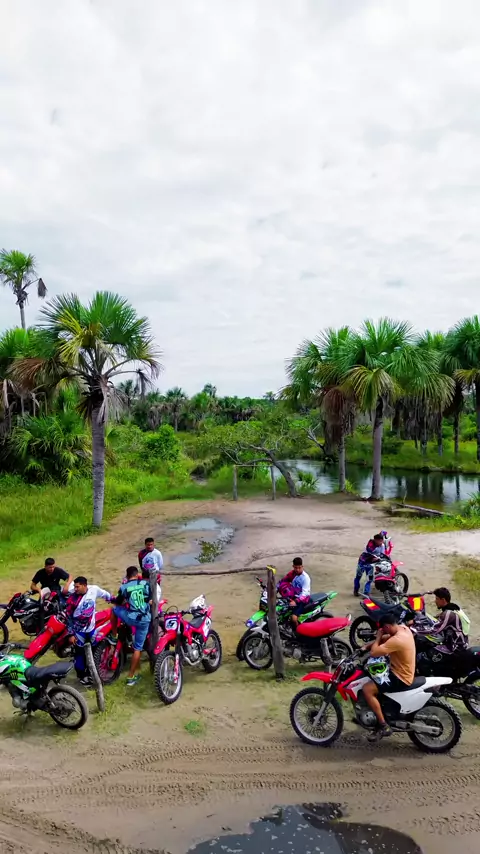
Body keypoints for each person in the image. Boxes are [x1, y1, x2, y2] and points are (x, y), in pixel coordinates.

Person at [362, 613, 416, 741]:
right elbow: (386, 638)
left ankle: (383, 726)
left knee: (367, 689)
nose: (383, 632)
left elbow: (374, 652)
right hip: (402, 670)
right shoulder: (403, 629)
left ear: (386, 626)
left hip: (400, 676)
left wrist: (377, 638)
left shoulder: (397, 640)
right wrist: (365, 646)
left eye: (383, 629)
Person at [65, 576, 113, 685]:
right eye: (74, 587)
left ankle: (93, 671)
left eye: (77, 587)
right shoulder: (72, 599)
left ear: (84, 585)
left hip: (91, 628)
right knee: (80, 653)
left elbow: (106, 595)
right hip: (78, 631)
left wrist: (117, 600)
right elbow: (68, 618)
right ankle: (82, 676)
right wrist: (71, 634)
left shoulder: (94, 590)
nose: (75, 589)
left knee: (95, 649)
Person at [110, 565, 152, 687]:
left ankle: (114, 635)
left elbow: (118, 602)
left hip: (132, 618)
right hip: (145, 619)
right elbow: (148, 599)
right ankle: (130, 677)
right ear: (137, 574)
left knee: (114, 610)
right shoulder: (146, 584)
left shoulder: (124, 587)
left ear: (127, 576)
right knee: (137, 648)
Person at [414, 587, 470, 654]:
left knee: (424, 653)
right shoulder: (453, 608)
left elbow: (434, 630)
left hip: (455, 647)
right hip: (458, 640)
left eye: (437, 599)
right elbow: (436, 619)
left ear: (443, 600)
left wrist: (415, 630)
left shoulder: (448, 614)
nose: (435, 601)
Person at [279, 557, 311, 629]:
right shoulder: (292, 574)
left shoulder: (305, 578)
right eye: (296, 568)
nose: (297, 570)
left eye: (299, 568)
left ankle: (297, 632)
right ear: (293, 566)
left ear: (302, 566)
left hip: (303, 600)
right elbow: (283, 581)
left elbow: (305, 593)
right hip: (293, 597)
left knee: (293, 618)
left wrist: (296, 601)